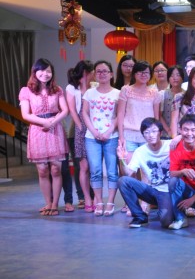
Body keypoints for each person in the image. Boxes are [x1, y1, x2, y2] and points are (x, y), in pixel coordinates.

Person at [18, 58, 69, 216]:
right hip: (37, 130)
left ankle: (55, 204)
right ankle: (48, 202)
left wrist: (52, 122)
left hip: (55, 129)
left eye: (48, 71)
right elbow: (25, 114)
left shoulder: (57, 89)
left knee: (56, 169)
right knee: (42, 171)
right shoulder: (26, 91)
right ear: (35, 72)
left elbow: (65, 110)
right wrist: (44, 122)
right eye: (42, 70)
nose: (45, 74)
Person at [116, 118, 173, 228]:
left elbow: (185, 139)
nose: (150, 135)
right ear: (143, 135)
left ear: (160, 133)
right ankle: (140, 216)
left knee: (166, 222)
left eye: (154, 131)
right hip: (153, 190)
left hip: (168, 191)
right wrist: (122, 159)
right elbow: (128, 173)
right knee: (123, 181)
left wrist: (177, 137)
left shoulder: (170, 145)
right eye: (146, 132)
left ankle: (174, 209)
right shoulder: (140, 151)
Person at [82, 60, 120, 217]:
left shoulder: (118, 93)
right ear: (95, 74)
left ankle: (110, 202)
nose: (102, 74)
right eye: (99, 71)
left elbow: (119, 115)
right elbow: (85, 113)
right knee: (95, 170)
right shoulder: (89, 93)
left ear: (111, 74)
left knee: (112, 171)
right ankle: (98, 201)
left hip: (112, 136)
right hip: (92, 137)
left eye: (105, 71)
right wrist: (94, 131)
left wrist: (109, 131)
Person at [117, 60, 162, 163]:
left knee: (146, 168)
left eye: (146, 72)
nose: (143, 75)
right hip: (129, 135)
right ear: (134, 73)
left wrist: (156, 136)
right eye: (140, 72)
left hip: (148, 136)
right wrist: (121, 136)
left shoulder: (155, 93)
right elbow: (120, 114)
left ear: (150, 75)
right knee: (129, 167)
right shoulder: (126, 90)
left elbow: (156, 118)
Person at [64, 60, 94, 213]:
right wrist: (81, 127)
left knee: (93, 166)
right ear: (85, 72)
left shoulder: (94, 86)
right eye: (91, 71)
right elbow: (72, 110)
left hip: (94, 127)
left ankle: (94, 197)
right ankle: (84, 197)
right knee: (82, 166)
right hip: (79, 129)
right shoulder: (71, 88)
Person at [160, 65, 184, 139]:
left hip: (183, 134)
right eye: (172, 75)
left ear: (182, 78)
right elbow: (159, 115)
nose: (175, 78)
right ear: (168, 79)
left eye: (178, 75)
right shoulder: (162, 94)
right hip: (165, 134)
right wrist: (168, 130)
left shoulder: (187, 95)